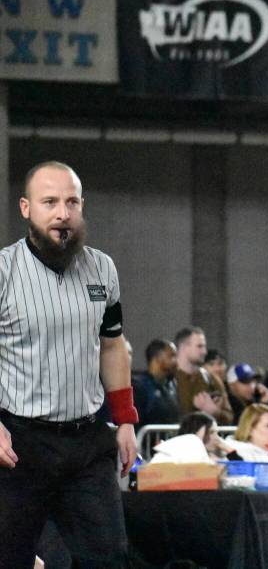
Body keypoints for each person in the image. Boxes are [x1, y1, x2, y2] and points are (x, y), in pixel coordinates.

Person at [0, 161, 138, 567]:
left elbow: (112, 346)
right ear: (26, 208)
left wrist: (126, 419)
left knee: (110, 557)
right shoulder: (4, 271)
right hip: (20, 444)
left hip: (86, 442)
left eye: (71, 201)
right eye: (50, 202)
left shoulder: (103, 268)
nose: (63, 212)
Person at [174, 326, 234, 425]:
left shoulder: (211, 379)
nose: (204, 352)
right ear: (184, 347)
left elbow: (229, 416)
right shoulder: (169, 378)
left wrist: (215, 412)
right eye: (199, 346)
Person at [132, 338, 180, 430]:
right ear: (157, 358)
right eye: (172, 356)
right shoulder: (140, 387)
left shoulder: (172, 386)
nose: (176, 362)